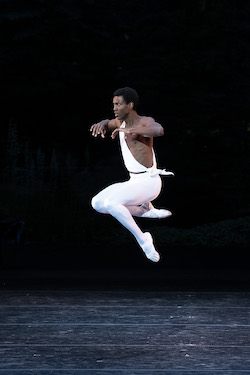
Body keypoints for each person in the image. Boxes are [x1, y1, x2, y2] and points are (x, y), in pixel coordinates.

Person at [90, 87, 174, 262]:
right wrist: (102, 123)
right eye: (113, 104)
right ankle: (145, 211)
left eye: (118, 104)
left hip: (149, 183)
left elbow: (158, 130)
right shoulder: (120, 123)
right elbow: (108, 122)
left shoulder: (144, 121)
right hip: (134, 181)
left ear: (130, 105)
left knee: (112, 203)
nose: (114, 108)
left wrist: (131, 131)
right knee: (97, 203)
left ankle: (143, 239)